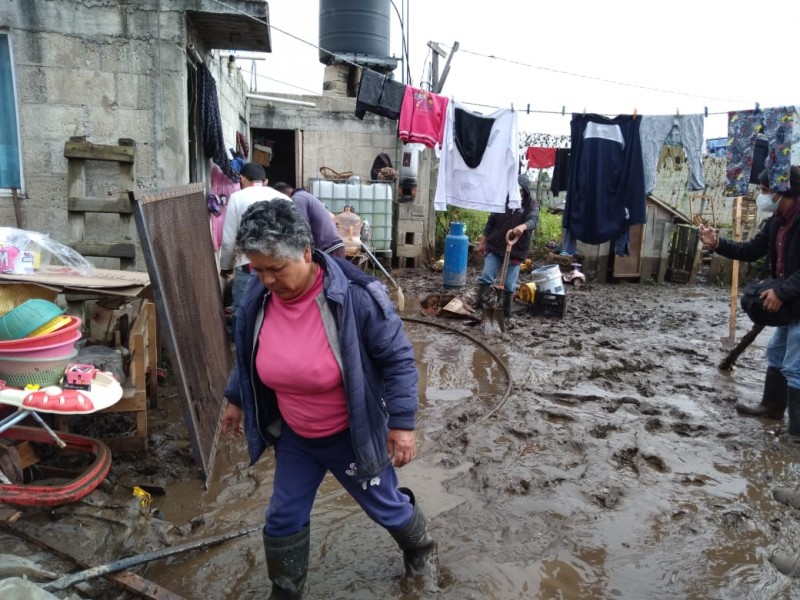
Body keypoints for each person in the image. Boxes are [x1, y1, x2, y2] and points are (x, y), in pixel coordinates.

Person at [220, 199, 437, 598]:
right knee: (283, 515)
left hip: (348, 433)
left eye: (276, 269)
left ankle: (420, 547)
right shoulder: (258, 296)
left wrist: (403, 424)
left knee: (384, 506)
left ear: (306, 252)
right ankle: (285, 591)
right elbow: (249, 352)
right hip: (295, 435)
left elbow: (399, 360)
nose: (266, 279)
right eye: (258, 269)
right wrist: (235, 397)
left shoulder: (356, 295)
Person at [699, 165, 800, 433]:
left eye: (766, 190)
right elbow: (751, 250)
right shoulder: (777, 221)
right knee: (777, 352)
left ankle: (796, 435)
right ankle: (772, 408)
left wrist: (781, 291)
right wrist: (717, 243)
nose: (762, 196)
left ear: (782, 191)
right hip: (794, 301)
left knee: (796, 365)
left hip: (792, 296)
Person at [219, 163, 290, 324]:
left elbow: (229, 239)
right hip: (279, 265)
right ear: (264, 181)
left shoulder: (237, 198)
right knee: (274, 312)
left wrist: (226, 267)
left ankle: (242, 348)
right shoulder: (282, 197)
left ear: (242, 179)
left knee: (241, 311)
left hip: (248, 265)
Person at [474, 172, 540, 318]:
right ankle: (480, 308)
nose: (516, 193)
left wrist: (522, 227)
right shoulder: (502, 200)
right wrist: (483, 243)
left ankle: (505, 315)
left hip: (516, 250)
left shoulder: (531, 204)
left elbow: (534, 220)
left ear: (524, 190)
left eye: (519, 190)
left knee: (509, 285)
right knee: (486, 276)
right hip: (496, 246)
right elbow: (490, 222)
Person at [271, 182, 345, 258]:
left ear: (281, 196)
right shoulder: (303, 195)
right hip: (333, 246)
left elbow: (300, 228)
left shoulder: (297, 199)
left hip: (329, 249)